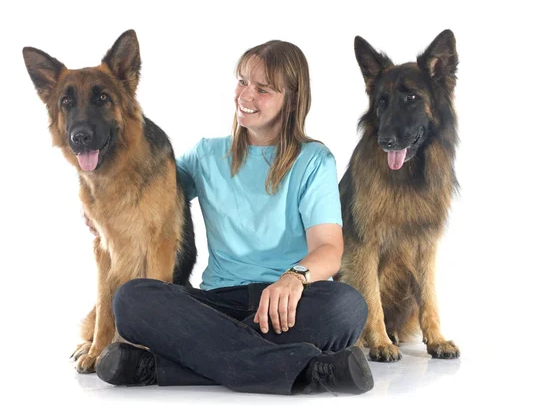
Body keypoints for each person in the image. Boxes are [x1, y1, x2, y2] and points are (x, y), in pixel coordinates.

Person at [88, 40, 373, 395]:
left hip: (289, 305)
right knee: (132, 299)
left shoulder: (314, 161)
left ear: (292, 99)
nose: (245, 95)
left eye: (262, 89)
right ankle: (309, 371)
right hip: (214, 304)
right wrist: (102, 210)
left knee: (347, 307)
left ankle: (159, 369)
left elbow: (330, 249)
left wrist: (294, 278)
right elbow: (149, 198)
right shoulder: (207, 154)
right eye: (242, 81)